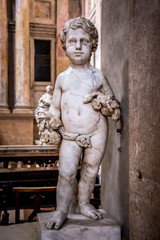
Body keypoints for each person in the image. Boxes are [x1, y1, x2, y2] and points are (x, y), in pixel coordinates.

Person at [46, 17, 121, 230]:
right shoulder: (62, 78)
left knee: (90, 170)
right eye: (72, 41)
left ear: (93, 45)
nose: (78, 46)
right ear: (65, 46)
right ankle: (61, 210)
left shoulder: (98, 76)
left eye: (84, 41)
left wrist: (105, 104)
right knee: (67, 172)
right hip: (70, 135)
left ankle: (85, 203)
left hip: (97, 131)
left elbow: (112, 104)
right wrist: (51, 118)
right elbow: (56, 107)